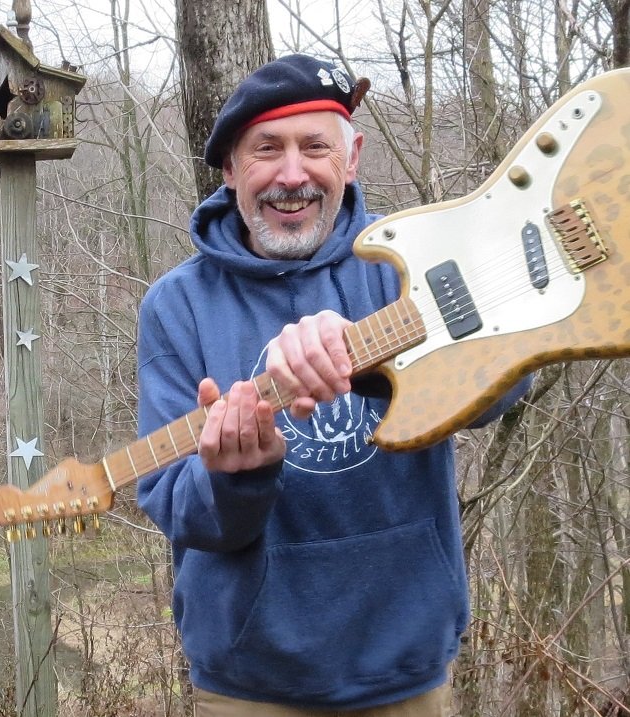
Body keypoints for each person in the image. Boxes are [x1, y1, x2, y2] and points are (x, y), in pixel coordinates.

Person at [135, 55, 527, 715]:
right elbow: (177, 502)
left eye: (315, 146)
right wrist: (237, 476)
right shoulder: (177, 306)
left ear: (351, 158)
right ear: (230, 171)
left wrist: (372, 358)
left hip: (408, 670)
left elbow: (503, 388)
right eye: (266, 150)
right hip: (249, 686)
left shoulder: (406, 264)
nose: (292, 174)